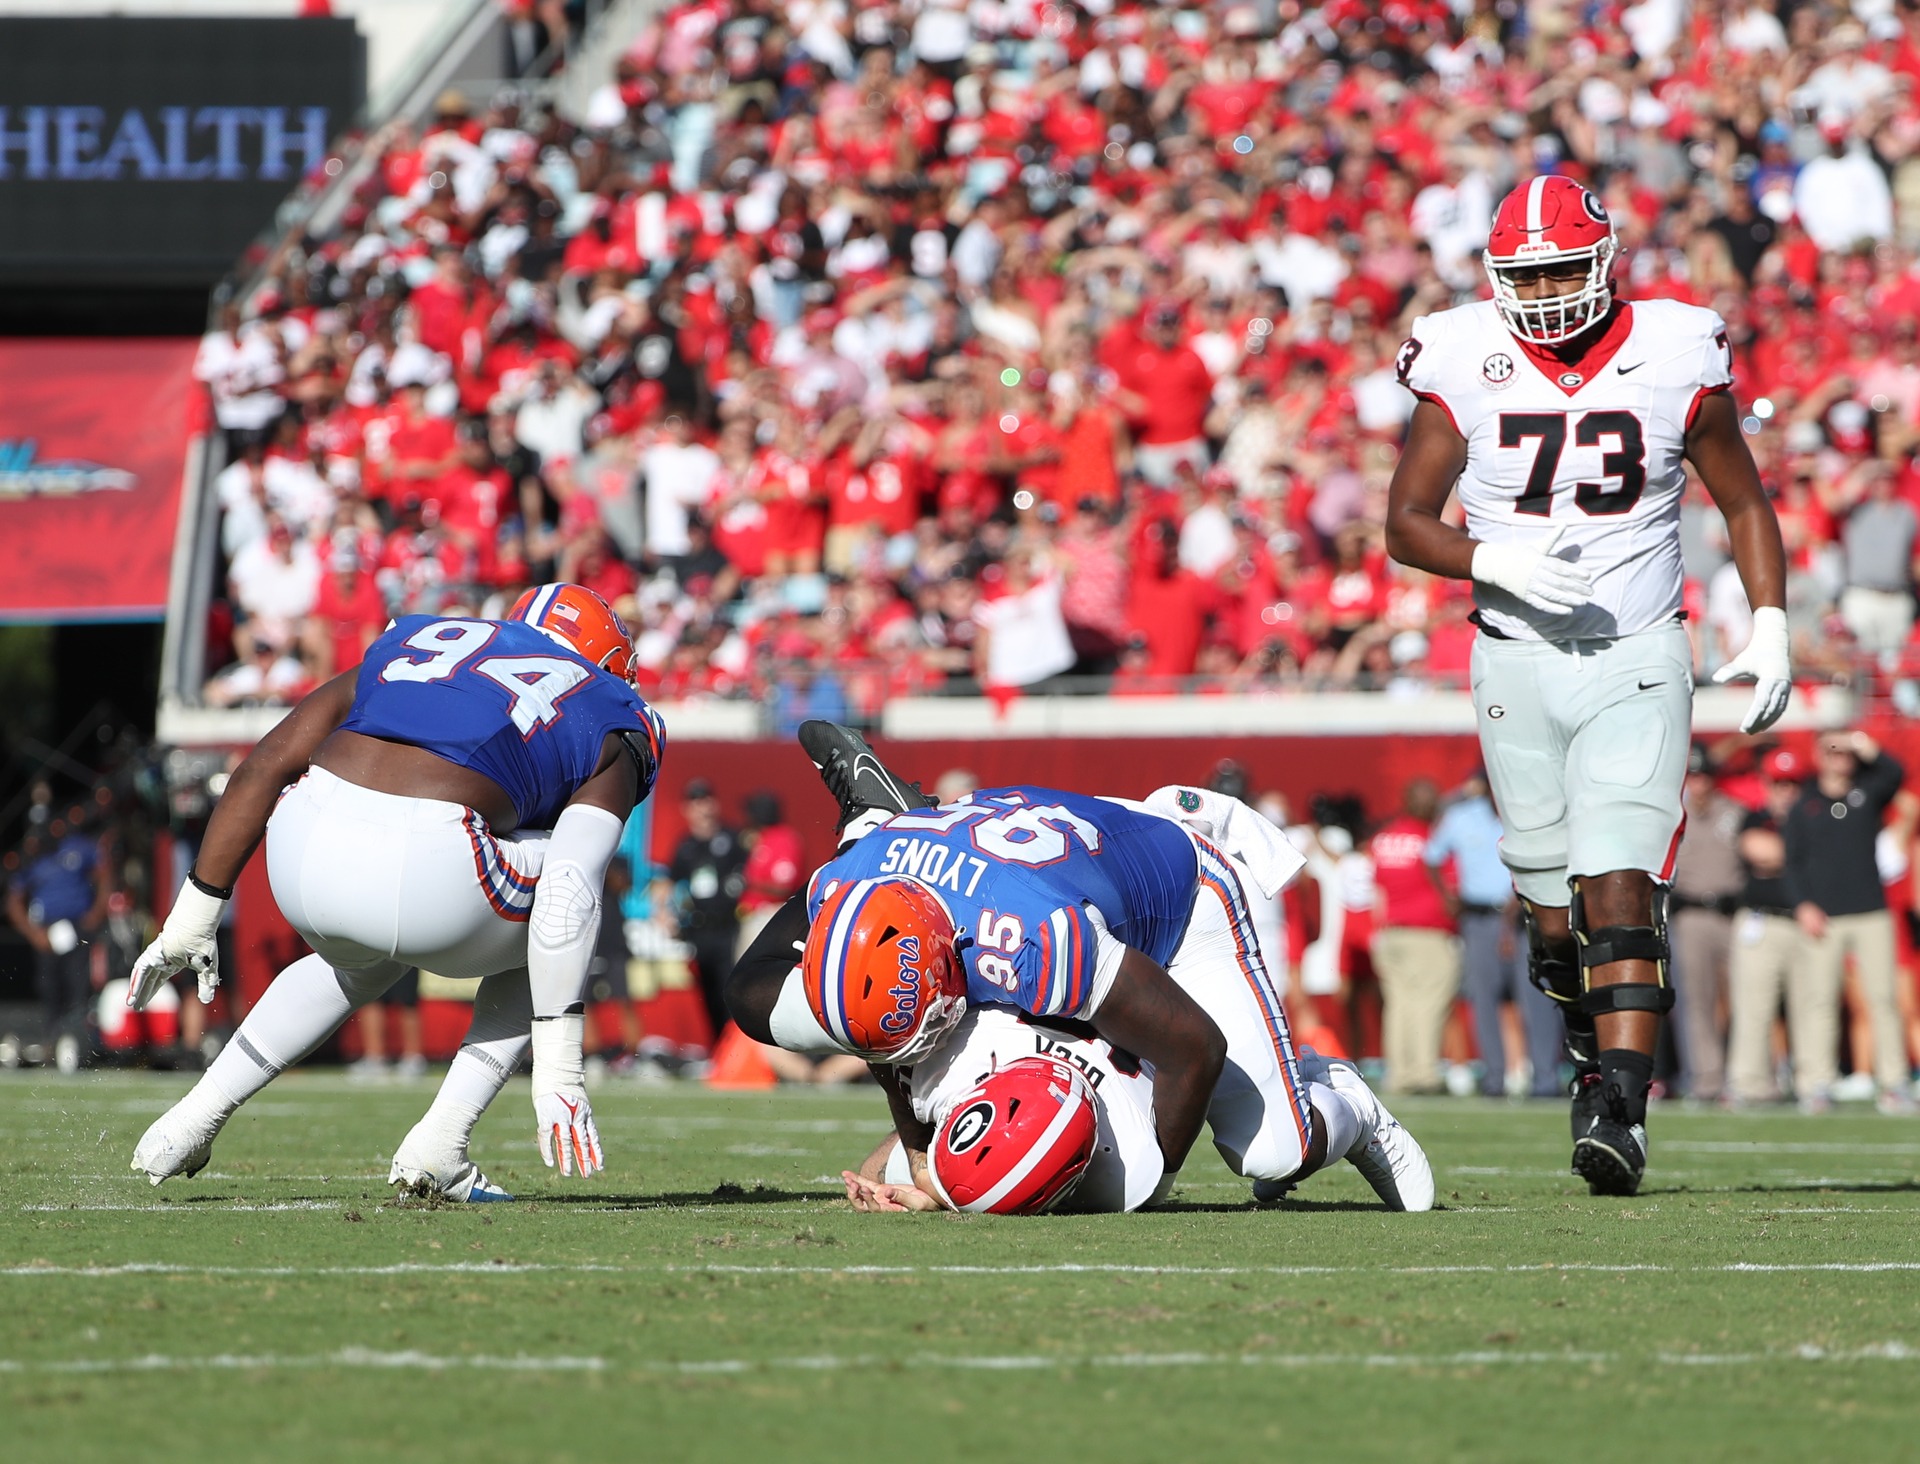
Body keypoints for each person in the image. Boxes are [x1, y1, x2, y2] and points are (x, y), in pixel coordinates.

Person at [1385, 174, 1791, 1195]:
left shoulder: (1672, 351)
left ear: (1605, 262)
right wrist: (1492, 560)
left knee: (1619, 885)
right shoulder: (1464, 357)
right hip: (1513, 656)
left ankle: (1622, 1110)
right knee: (1552, 919)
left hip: (1639, 650)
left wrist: (1773, 623)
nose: (1550, 289)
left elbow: (1741, 499)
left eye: (1565, 266)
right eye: (1528, 274)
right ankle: (1586, 1048)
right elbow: (1404, 523)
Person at [729, 723, 1435, 1212]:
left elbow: (1194, 1047)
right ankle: (873, 823)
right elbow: (886, 1041)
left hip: (1176, 899)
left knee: (1273, 1152)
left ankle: (1344, 1103)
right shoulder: (841, 892)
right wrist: (921, 1164)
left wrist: (1153, 1176)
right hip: (973, 881)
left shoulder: (1036, 945)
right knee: (758, 998)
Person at [126, 583, 666, 1200]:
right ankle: (442, 1143)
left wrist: (192, 916)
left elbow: (267, 761)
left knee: (356, 965)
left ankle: (192, 1119)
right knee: (556, 918)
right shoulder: (612, 710)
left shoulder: (419, 637)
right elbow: (570, 886)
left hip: (304, 844)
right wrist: (561, 1068)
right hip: (434, 861)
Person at [1783, 730, 1911, 1114]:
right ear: (1820, 756)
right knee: (1819, 999)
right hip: (1825, 917)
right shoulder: (1805, 803)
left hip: (1871, 911)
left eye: (1845, 752)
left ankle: (1894, 1082)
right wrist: (1804, 905)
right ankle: (1817, 1082)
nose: (1840, 758)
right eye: (1832, 751)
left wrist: (1864, 746)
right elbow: (1793, 862)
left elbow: (1896, 773)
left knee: (1883, 998)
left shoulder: (1866, 794)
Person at [1425, 770, 1561, 1099]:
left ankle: (1545, 1079)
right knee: (1484, 1000)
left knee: (1537, 998)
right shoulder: (1461, 816)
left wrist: (1519, 895)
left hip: (1526, 916)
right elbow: (1431, 856)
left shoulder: (1533, 816)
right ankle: (1494, 1078)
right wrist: (1447, 896)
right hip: (1480, 917)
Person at [1726, 748, 1818, 1106]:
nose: (1786, 791)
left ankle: (1813, 1082)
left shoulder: (1814, 818)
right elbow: (1757, 850)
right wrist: (1801, 857)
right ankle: (1748, 1082)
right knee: (1753, 1006)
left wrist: (1788, 856)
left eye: (1792, 783)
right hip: (1761, 920)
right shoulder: (1755, 817)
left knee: (1811, 1006)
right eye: (1780, 783)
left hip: (1806, 923)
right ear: (1766, 784)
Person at [1368, 779, 1460, 1096]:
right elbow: (1452, 884)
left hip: (1390, 931)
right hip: (1427, 933)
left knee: (1398, 1005)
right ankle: (1423, 1072)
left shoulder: (1384, 838)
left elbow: (1376, 888)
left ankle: (1399, 1073)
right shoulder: (1432, 838)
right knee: (1429, 1003)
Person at [1668, 746, 1746, 1103]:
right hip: (1690, 914)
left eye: (1704, 776)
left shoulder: (1733, 812)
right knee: (1696, 999)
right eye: (1693, 776)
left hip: (1732, 914)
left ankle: (1744, 1073)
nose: (1699, 784)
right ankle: (1706, 1078)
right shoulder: (1670, 815)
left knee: (1743, 996)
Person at [5, 816, 109, 1072]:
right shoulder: (33, 857)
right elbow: (14, 900)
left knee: (79, 987)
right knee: (49, 988)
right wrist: (33, 934)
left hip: (76, 929)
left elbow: (105, 876)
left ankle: (79, 1042)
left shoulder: (79, 848)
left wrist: (95, 915)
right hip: (46, 932)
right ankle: (51, 1042)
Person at [659, 779, 747, 1045]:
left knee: (731, 988)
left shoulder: (732, 839)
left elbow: (751, 876)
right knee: (708, 992)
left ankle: (740, 1050)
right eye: (696, 802)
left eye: (706, 800)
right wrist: (663, 913)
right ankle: (719, 1050)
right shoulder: (686, 847)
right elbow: (666, 885)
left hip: (731, 926)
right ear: (687, 809)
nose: (703, 808)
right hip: (700, 929)